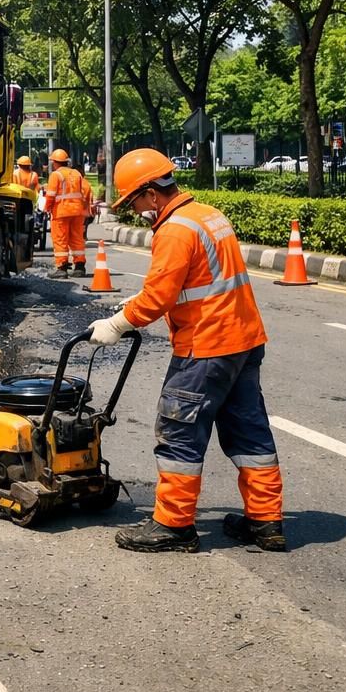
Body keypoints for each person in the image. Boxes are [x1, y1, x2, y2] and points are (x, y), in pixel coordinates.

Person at [87, 149, 283, 553]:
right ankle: (266, 522)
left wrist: (117, 323)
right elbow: (192, 281)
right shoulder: (208, 215)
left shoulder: (174, 230)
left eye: (135, 201)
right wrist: (131, 304)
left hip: (206, 346)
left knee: (179, 431)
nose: (136, 209)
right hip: (244, 341)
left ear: (151, 194)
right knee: (249, 431)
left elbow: (160, 296)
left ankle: (174, 526)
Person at [45, 148, 93, 277]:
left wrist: (47, 208)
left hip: (61, 212)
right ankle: (79, 267)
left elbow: (50, 195)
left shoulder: (56, 175)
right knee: (77, 239)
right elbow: (83, 191)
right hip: (77, 212)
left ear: (55, 162)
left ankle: (62, 267)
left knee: (60, 239)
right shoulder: (76, 174)